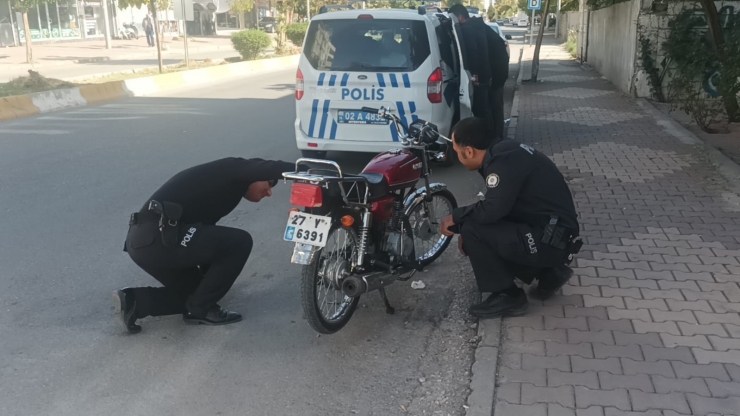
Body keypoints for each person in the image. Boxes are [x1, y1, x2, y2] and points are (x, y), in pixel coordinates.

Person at [113, 157, 295, 334]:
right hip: (159, 237)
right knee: (240, 242)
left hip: (145, 243)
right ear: (256, 173)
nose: (269, 192)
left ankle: (133, 301)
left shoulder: (227, 193)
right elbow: (270, 166)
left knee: (199, 293)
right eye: (270, 184)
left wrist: (212, 281)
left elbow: (208, 241)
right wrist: (311, 169)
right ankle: (202, 310)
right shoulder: (233, 168)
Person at [439, 118, 582, 319]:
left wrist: (457, 218)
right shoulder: (504, 151)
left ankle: (508, 295)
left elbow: (493, 209)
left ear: (469, 151)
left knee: (472, 228)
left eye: (456, 151)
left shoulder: (502, 161)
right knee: (474, 224)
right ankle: (549, 273)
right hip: (554, 236)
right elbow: (504, 206)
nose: (457, 157)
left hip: (549, 239)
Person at [448, 4, 493, 134]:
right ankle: (490, 136)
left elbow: (472, 53)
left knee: (480, 111)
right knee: (484, 109)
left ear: (460, 17)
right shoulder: (477, 26)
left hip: (477, 76)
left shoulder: (467, 29)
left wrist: (473, 74)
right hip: (484, 74)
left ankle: (484, 140)